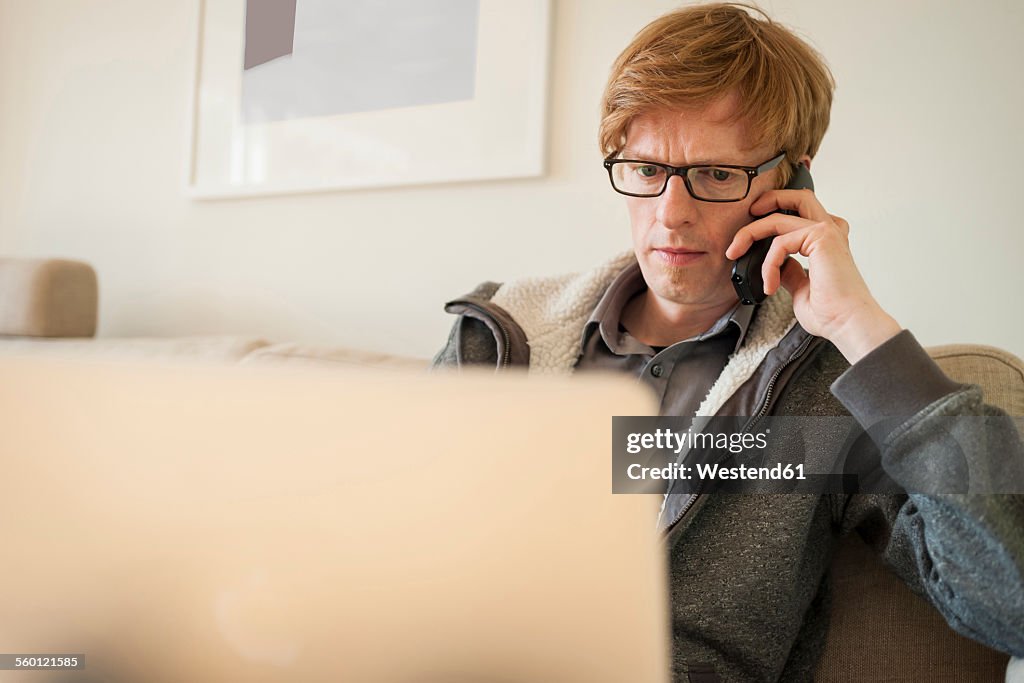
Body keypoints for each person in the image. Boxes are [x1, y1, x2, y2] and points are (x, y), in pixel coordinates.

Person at [432, 3, 1024, 680]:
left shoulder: (827, 392)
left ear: (790, 183)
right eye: (646, 169)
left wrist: (859, 322)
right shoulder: (497, 337)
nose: (670, 214)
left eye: (716, 174)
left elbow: (1011, 599)